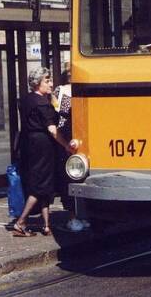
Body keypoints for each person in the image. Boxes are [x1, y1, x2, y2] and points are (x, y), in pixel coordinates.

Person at [12, 68, 72, 237]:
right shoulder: (42, 103)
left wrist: (51, 96)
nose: (51, 83)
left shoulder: (26, 100)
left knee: (44, 183)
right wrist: (66, 145)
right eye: (47, 80)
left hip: (29, 143)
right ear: (38, 83)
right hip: (43, 145)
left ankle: (46, 225)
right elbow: (53, 130)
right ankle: (21, 222)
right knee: (40, 186)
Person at [52, 65, 88, 232]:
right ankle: (73, 216)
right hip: (67, 134)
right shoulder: (61, 91)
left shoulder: (82, 88)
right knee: (70, 176)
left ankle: (81, 214)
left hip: (79, 134)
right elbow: (58, 112)